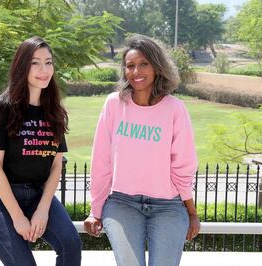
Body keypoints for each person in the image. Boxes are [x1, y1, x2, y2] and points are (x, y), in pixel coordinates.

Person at [84, 34, 200, 266]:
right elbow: (101, 162)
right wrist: (95, 211)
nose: (136, 72)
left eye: (143, 64)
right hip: (122, 204)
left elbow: (183, 165)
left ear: (157, 66)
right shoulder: (114, 104)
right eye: (130, 66)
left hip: (168, 206)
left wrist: (191, 212)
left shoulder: (175, 109)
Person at [0, 36, 81, 266]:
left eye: (48, 62)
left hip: (37, 195)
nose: (44, 70)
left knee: (71, 245)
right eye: (35, 63)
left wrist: (43, 209)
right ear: (22, 65)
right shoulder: (1, 108)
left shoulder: (53, 110)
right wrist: (17, 217)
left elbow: (56, 164)